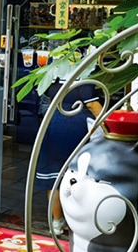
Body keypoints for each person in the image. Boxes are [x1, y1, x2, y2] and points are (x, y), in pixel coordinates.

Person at [36, 78, 102, 235]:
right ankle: (80, 222)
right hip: (78, 125)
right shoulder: (84, 75)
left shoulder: (54, 74)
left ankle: (57, 222)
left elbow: (49, 99)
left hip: (56, 122)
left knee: (54, 176)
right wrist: (108, 126)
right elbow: (92, 104)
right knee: (82, 175)